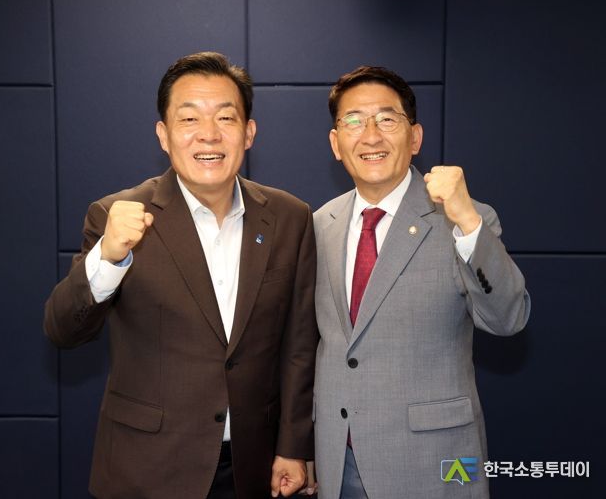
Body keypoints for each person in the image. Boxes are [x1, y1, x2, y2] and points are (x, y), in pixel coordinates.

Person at [44, 52, 318, 499]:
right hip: (148, 470)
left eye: (225, 117)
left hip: (255, 467)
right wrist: (108, 257)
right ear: (163, 135)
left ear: (249, 132)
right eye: (189, 118)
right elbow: (62, 329)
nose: (208, 133)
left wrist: (293, 446)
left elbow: (299, 346)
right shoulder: (117, 215)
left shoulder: (290, 217)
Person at [312, 66, 530, 498]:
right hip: (338, 462)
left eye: (387, 119)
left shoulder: (465, 218)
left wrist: (467, 222)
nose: (370, 135)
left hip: (437, 461)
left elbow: (509, 318)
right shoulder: (320, 224)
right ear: (336, 144)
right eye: (354, 121)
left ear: (415, 137)